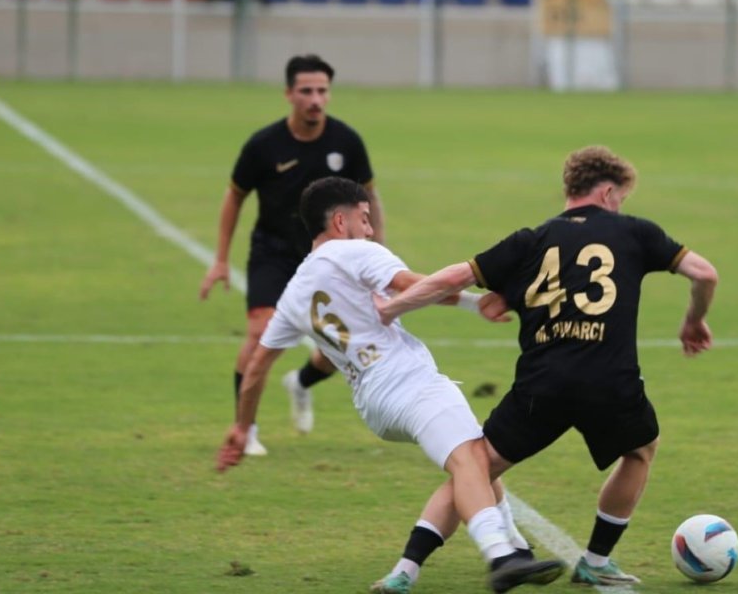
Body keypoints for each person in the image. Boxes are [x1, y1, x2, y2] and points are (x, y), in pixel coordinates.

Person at [374, 145, 719, 585]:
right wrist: (694, 320)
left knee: (475, 470)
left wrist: (392, 309)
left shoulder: (530, 241)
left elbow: (452, 279)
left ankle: (405, 570)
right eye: (620, 198)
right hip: (608, 381)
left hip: (542, 385)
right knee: (640, 450)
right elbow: (705, 274)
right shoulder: (635, 232)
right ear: (608, 193)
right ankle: (596, 561)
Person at [215, 177, 564, 594]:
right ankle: (500, 555)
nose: (370, 229)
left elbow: (256, 369)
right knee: (471, 459)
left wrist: (242, 427)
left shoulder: (293, 294)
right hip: (406, 381)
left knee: (477, 455)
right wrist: (477, 303)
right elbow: (415, 285)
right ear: (340, 221)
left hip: (373, 405)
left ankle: (501, 552)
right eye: (364, 219)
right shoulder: (355, 251)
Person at [199, 54, 386, 455]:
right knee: (259, 334)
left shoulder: (347, 141)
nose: (315, 99)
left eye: (322, 90)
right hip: (273, 252)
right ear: (288, 94)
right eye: (306, 91)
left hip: (332, 257)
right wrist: (220, 259)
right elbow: (234, 196)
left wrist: (376, 257)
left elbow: (370, 198)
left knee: (340, 349)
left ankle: (300, 383)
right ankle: (245, 428)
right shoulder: (263, 145)